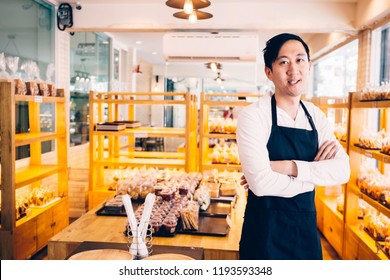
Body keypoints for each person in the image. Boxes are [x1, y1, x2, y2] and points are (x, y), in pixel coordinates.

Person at [236, 33, 350, 260]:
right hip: (264, 234)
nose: (293, 69)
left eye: (300, 60)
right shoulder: (253, 116)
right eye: (283, 62)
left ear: (309, 66)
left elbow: (342, 170)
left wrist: (287, 167)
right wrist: (312, 178)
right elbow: (260, 183)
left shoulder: (315, 115)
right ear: (269, 72)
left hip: (305, 232)